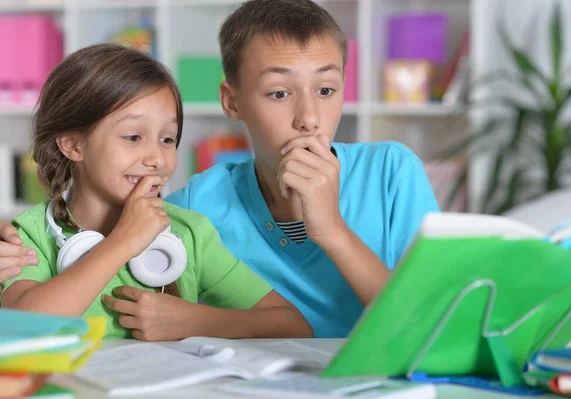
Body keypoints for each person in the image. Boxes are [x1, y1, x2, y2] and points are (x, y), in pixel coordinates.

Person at [0, 0, 439, 338]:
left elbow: (431, 325)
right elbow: (120, 218)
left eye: (326, 89)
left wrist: (331, 229)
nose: (309, 118)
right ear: (232, 101)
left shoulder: (391, 173)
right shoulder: (195, 206)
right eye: (279, 94)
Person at [0, 43, 312, 341]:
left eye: (167, 139)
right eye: (133, 136)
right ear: (73, 145)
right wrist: (123, 241)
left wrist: (199, 321)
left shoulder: (190, 234)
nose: (157, 159)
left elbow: (293, 325)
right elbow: (27, 329)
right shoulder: (28, 235)